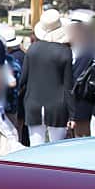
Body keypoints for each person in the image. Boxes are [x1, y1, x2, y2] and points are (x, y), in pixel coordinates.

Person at [16, 8, 73, 144]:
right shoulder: (65, 52)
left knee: (35, 146)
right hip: (57, 106)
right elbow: (68, 86)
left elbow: (23, 80)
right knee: (57, 147)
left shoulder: (32, 49)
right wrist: (73, 114)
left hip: (33, 104)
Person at [66, 17, 95, 137]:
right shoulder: (88, 49)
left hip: (82, 100)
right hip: (80, 100)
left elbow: (76, 77)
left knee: (81, 135)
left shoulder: (87, 51)